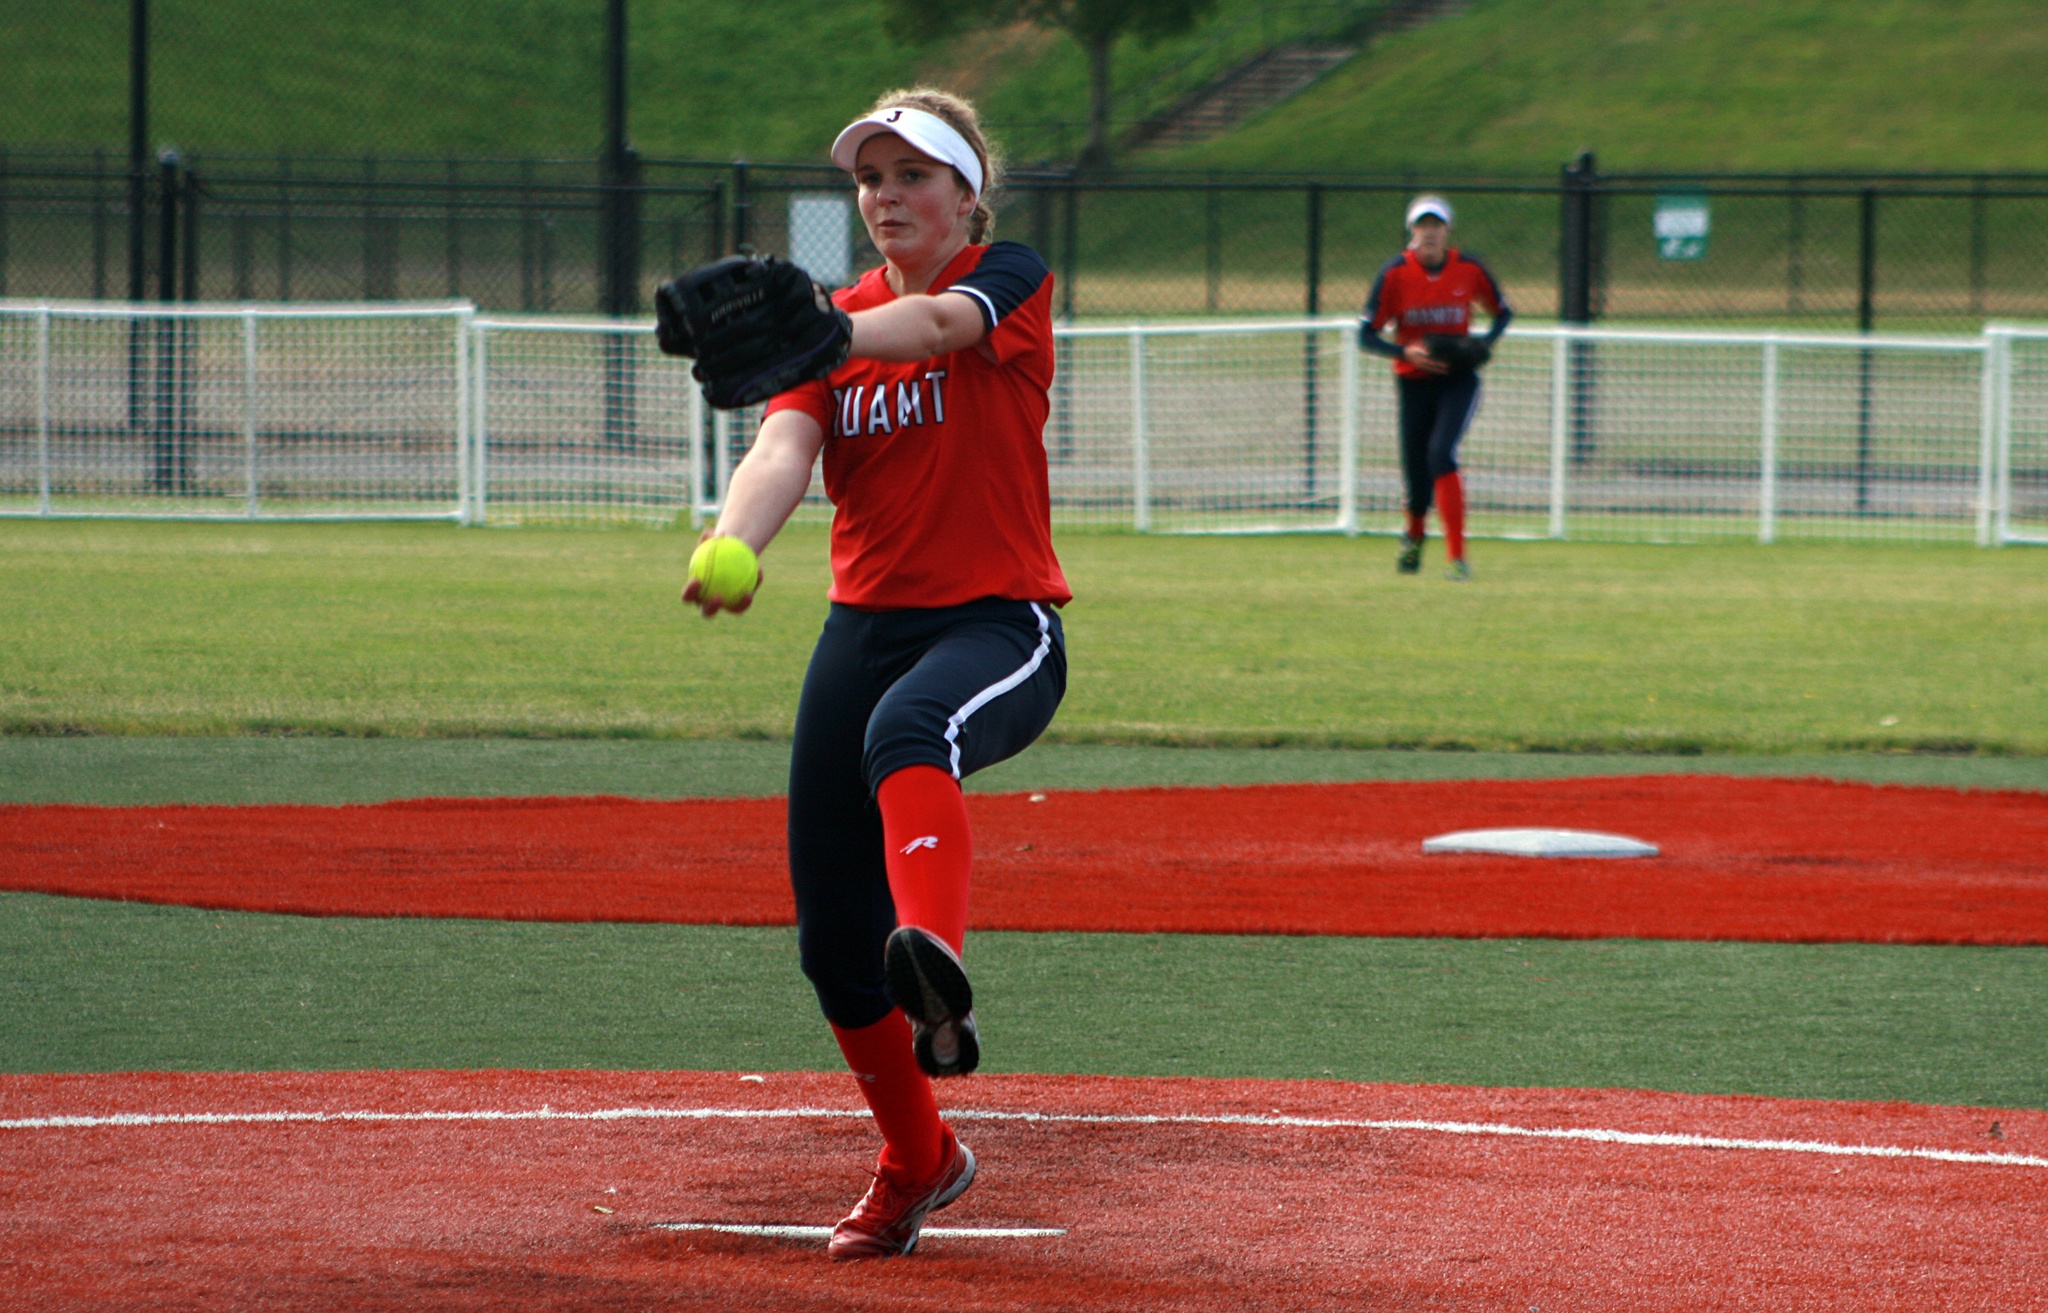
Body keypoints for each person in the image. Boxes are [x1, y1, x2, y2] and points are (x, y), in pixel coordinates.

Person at [681, 88, 1068, 1261]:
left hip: (998, 623)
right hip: (858, 628)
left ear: (965, 196)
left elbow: (945, 328)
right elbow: (784, 442)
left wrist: (827, 333)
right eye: (872, 179)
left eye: (913, 175)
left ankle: (935, 968)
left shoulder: (1008, 275)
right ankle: (918, 1155)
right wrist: (738, 538)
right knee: (827, 945)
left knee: (912, 730)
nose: (888, 195)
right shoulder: (832, 322)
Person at [1358, 195, 1513, 580]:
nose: (1429, 233)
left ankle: (1456, 558)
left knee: (1441, 452)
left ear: (1447, 232)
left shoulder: (1469, 268)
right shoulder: (1395, 274)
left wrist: (1483, 343)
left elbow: (1502, 311)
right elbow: (1366, 334)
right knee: (1416, 478)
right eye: (1422, 226)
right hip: (1413, 382)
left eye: (1436, 226)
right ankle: (1413, 536)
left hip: (1457, 379)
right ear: (1411, 232)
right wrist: (1404, 352)